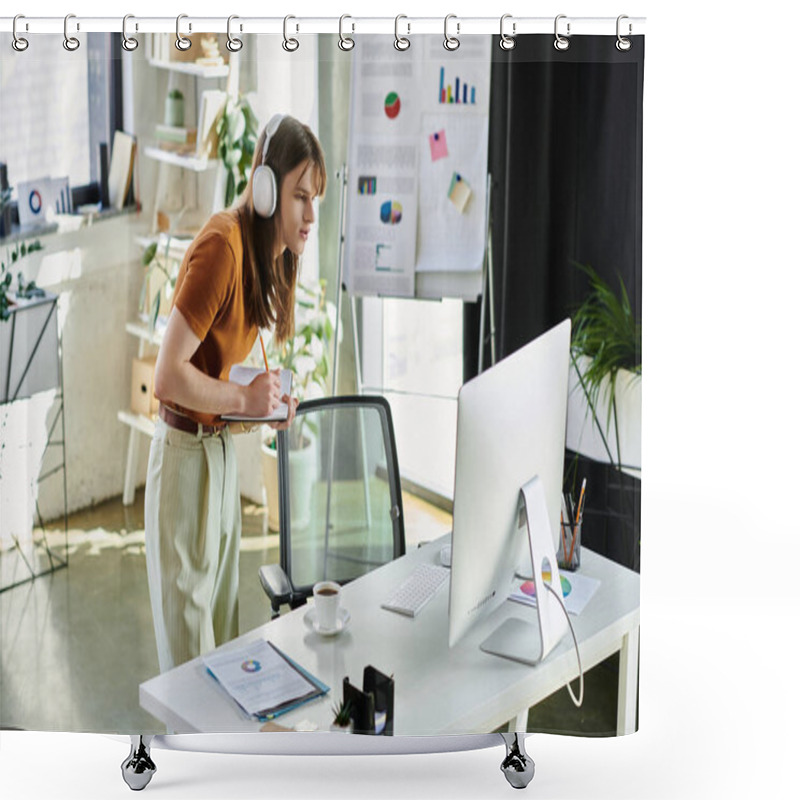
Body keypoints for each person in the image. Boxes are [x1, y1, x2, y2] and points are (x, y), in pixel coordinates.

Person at [144, 114, 327, 673]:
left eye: (314, 199)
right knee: (190, 666)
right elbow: (168, 375)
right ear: (266, 188)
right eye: (300, 197)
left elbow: (216, 370)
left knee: (219, 653)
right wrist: (244, 401)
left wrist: (260, 407)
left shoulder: (263, 254)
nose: (310, 216)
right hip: (185, 462)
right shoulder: (223, 246)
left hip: (217, 454)